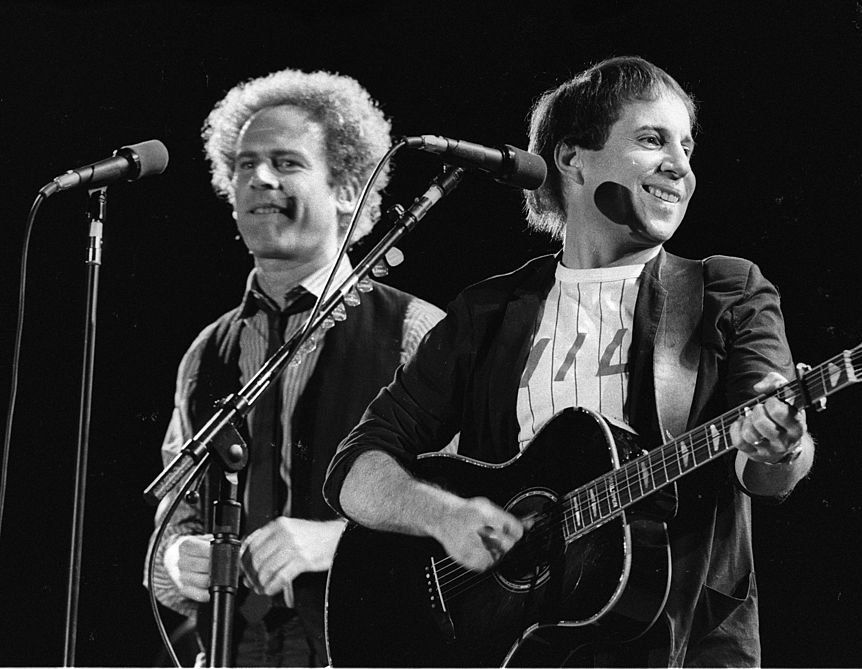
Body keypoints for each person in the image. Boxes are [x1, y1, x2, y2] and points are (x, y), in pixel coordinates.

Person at [322, 56, 815, 667]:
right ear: (572, 158)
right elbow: (354, 469)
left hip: (681, 644)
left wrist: (781, 445)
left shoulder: (725, 290)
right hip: (513, 648)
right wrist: (442, 514)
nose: (681, 167)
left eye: (688, 146)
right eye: (652, 139)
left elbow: (768, 471)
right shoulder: (491, 312)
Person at [144, 69, 444, 666]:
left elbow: (467, 513)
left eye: (286, 162)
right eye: (245, 164)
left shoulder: (417, 332)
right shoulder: (207, 352)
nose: (259, 178)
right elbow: (170, 530)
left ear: (345, 186)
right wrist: (179, 563)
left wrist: (337, 542)